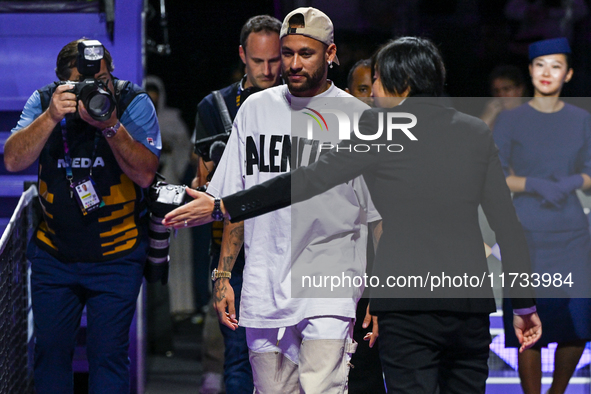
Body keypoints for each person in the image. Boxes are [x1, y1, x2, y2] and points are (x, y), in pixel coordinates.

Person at [164, 36, 543, 394]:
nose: (372, 92)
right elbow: (507, 225)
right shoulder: (475, 132)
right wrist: (524, 304)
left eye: (377, 80)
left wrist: (222, 205)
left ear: (403, 82)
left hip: (406, 308)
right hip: (468, 304)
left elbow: (306, 180)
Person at [167, 7, 381, 393]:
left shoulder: (357, 117)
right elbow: (237, 199)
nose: (293, 63)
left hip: (331, 285)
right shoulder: (255, 109)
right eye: (288, 53)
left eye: (306, 53)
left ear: (331, 54)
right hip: (265, 284)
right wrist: (222, 275)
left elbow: (378, 216)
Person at [3, 39, 160, 393]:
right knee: (50, 356)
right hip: (54, 255)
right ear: (61, 82)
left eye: (103, 79)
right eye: (83, 82)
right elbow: (13, 160)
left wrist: (111, 125)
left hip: (117, 257)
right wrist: (51, 117)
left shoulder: (132, 102)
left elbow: (146, 174)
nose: (96, 88)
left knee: (108, 357)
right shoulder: (44, 101)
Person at [493, 37, 591, 394]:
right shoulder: (511, 120)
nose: (546, 72)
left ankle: (557, 392)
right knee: (527, 319)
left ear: (568, 73)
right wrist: (534, 183)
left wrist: (569, 182)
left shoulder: (581, 119)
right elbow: (497, 176)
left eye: (555, 66)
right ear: (530, 70)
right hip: (527, 232)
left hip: (572, 233)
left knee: (578, 323)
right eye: (539, 65)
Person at [191, 14, 283, 394]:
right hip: (237, 252)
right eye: (258, 61)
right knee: (239, 356)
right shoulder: (214, 107)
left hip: (294, 247)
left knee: (292, 357)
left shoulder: (305, 102)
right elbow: (204, 184)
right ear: (242, 55)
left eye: (275, 60)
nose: (267, 69)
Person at [480, 64, 528, 129]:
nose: (501, 95)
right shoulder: (493, 119)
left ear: (519, 90)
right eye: (496, 91)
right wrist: (486, 118)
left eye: (506, 89)